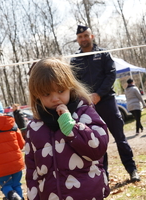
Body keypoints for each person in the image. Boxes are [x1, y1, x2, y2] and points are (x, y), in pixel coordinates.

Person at [26, 58, 110, 200]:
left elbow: (97, 149)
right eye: (47, 94)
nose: (55, 98)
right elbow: (32, 171)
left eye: (60, 90)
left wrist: (71, 127)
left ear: (70, 87)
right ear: (37, 95)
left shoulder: (84, 113)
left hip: (87, 194)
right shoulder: (34, 127)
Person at [70, 25, 140, 182]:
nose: (83, 39)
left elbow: (110, 75)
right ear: (77, 39)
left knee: (120, 138)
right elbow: (74, 82)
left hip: (107, 101)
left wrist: (98, 94)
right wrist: (86, 97)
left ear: (92, 36)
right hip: (88, 106)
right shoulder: (74, 59)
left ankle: (132, 170)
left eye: (86, 35)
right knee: (96, 142)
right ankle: (103, 176)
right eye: (80, 37)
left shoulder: (103, 54)